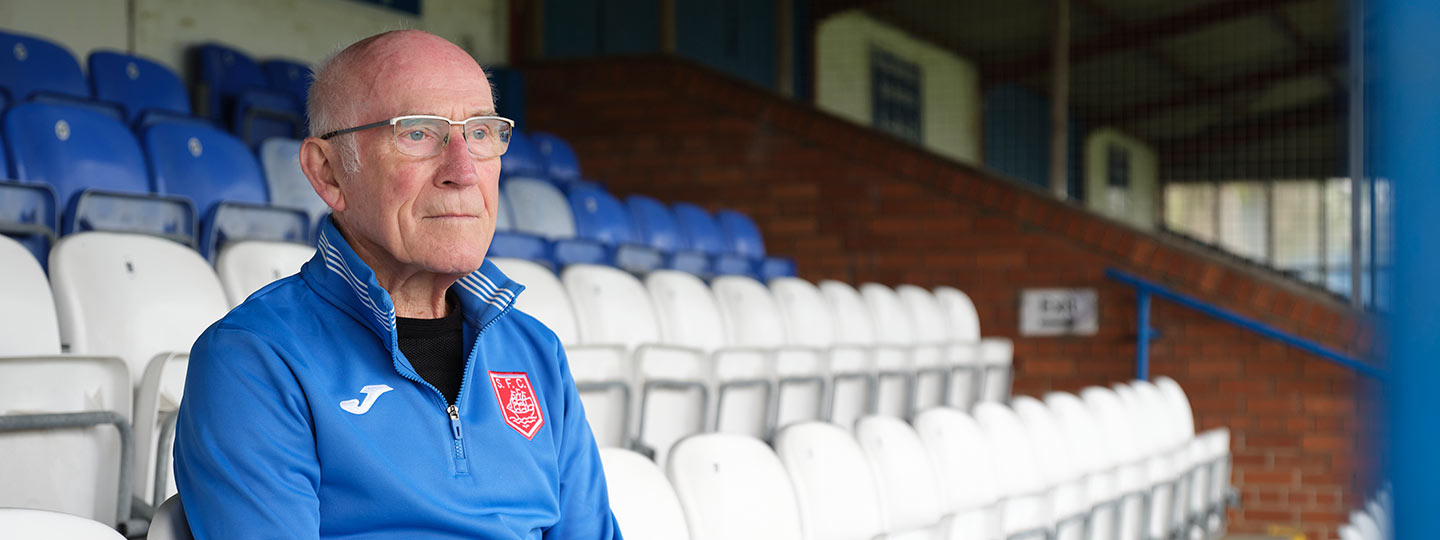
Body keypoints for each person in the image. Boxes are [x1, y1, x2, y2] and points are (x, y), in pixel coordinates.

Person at [173, 30, 622, 539]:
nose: (463, 172)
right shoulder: (254, 359)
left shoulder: (536, 350)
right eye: (418, 134)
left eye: (480, 133)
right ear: (329, 173)